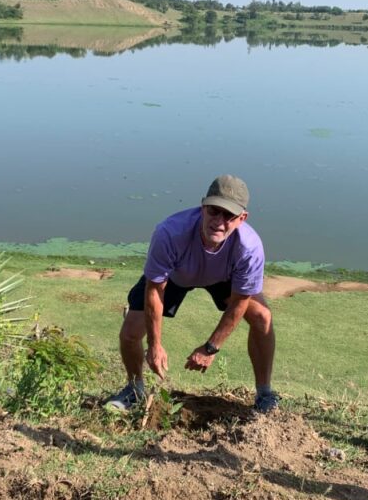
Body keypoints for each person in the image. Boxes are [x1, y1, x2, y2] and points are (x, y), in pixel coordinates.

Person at [105, 175, 278, 413]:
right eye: (214, 211)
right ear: (203, 206)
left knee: (262, 317)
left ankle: (264, 394)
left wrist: (211, 347)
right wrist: (154, 345)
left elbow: (240, 301)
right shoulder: (169, 232)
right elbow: (155, 289)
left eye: (228, 215)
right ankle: (134, 390)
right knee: (130, 332)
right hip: (176, 275)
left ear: (242, 218)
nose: (219, 221)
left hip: (223, 277)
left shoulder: (250, 247)